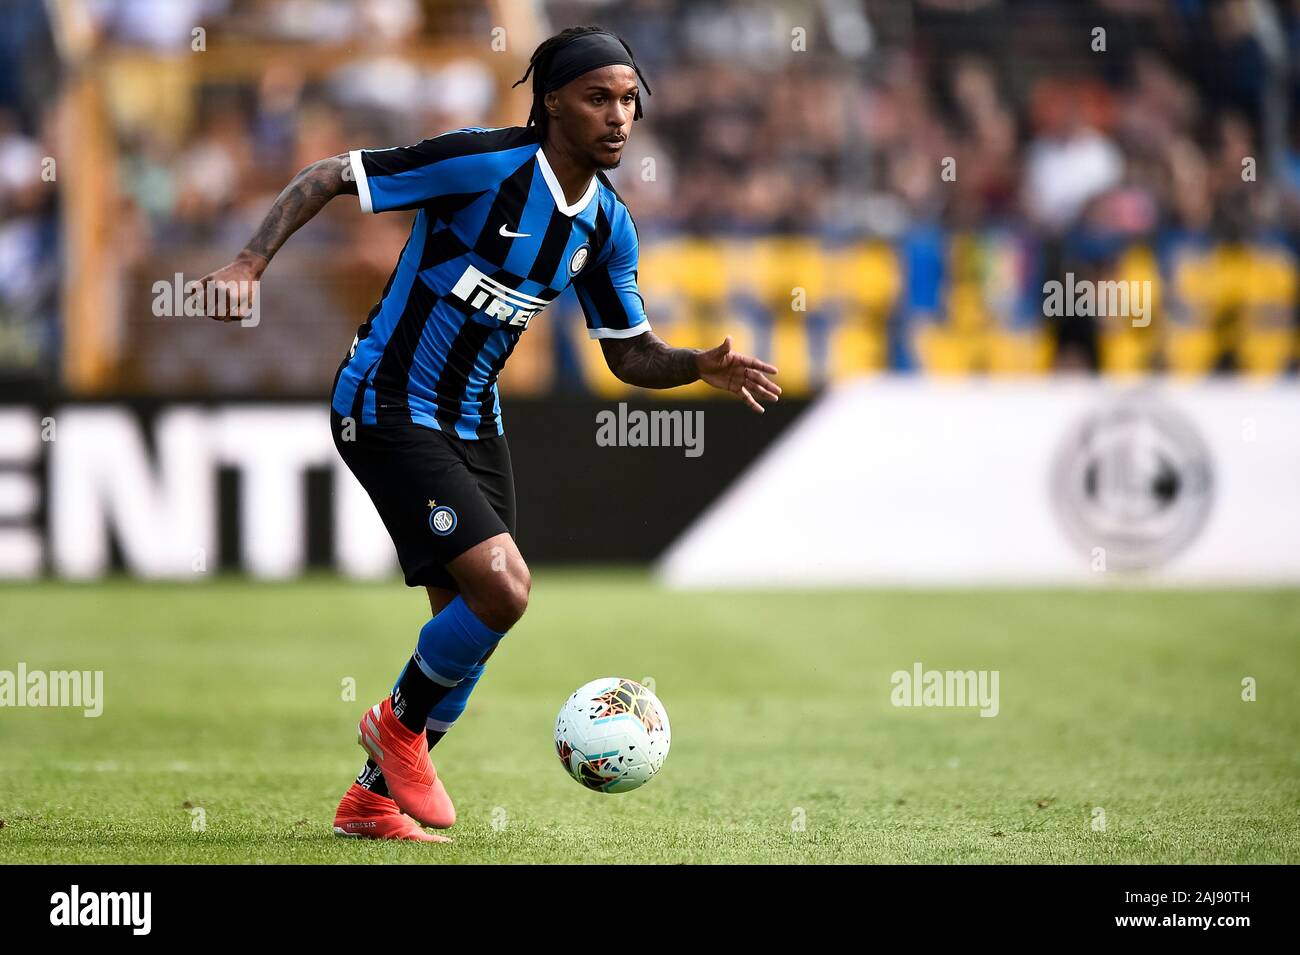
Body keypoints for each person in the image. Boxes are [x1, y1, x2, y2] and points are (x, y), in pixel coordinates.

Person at [201, 25, 781, 842]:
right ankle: (395, 730)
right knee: (504, 589)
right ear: (551, 103)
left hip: (474, 418)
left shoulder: (607, 226)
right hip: (387, 400)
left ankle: (370, 801)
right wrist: (250, 260)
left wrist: (694, 364)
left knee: (469, 630)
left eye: (628, 102)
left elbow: (626, 354)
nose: (618, 117)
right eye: (598, 98)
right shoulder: (484, 164)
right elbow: (331, 174)